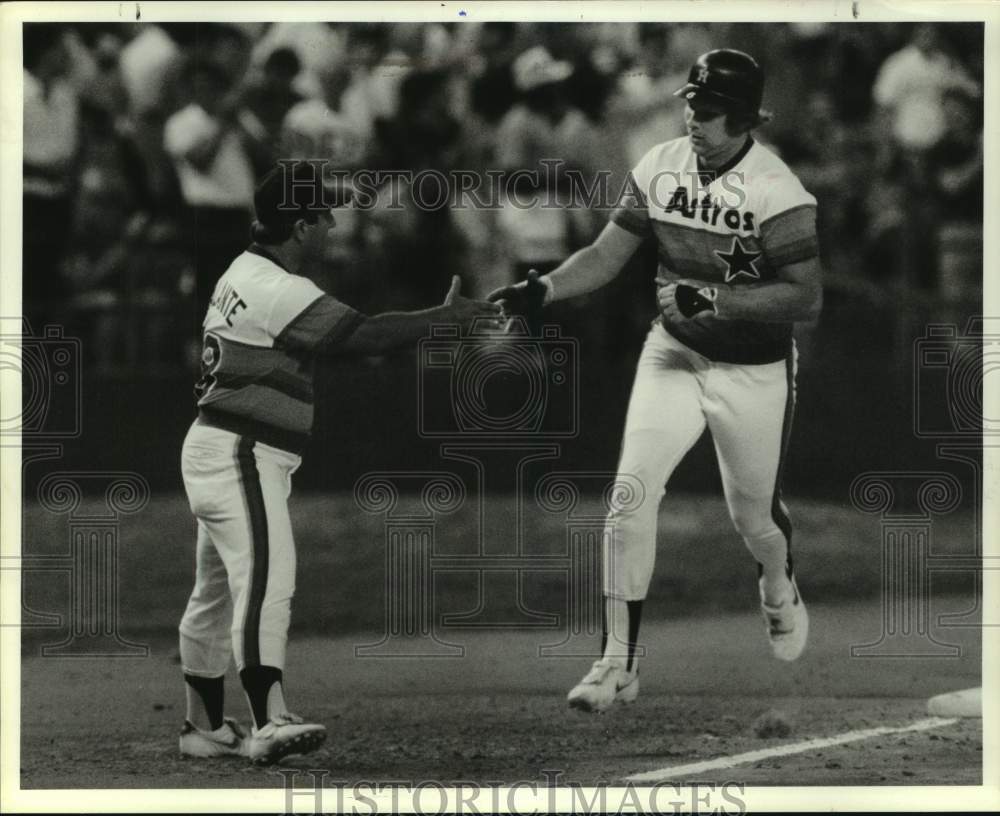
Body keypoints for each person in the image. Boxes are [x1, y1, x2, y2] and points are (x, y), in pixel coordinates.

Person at [489, 49, 822, 713]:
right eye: (692, 103)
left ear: (749, 117)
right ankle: (618, 663)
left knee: (751, 517)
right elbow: (609, 255)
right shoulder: (660, 164)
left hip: (752, 367)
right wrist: (545, 289)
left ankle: (779, 584)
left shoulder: (777, 188)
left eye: (713, 109)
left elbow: (805, 295)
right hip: (672, 350)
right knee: (629, 496)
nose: (696, 116)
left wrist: (722, 302)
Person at [177, 162, 501, 763]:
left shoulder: (244, 269)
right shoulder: (278, 286)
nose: (330, 222)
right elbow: (365, 336)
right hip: (239, 450)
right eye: (322, 214)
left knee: (216, 590)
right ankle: (269, 718)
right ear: (299, 225)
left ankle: (204, 726)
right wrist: (445, 319)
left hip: (218, 444)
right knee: (267, 578)